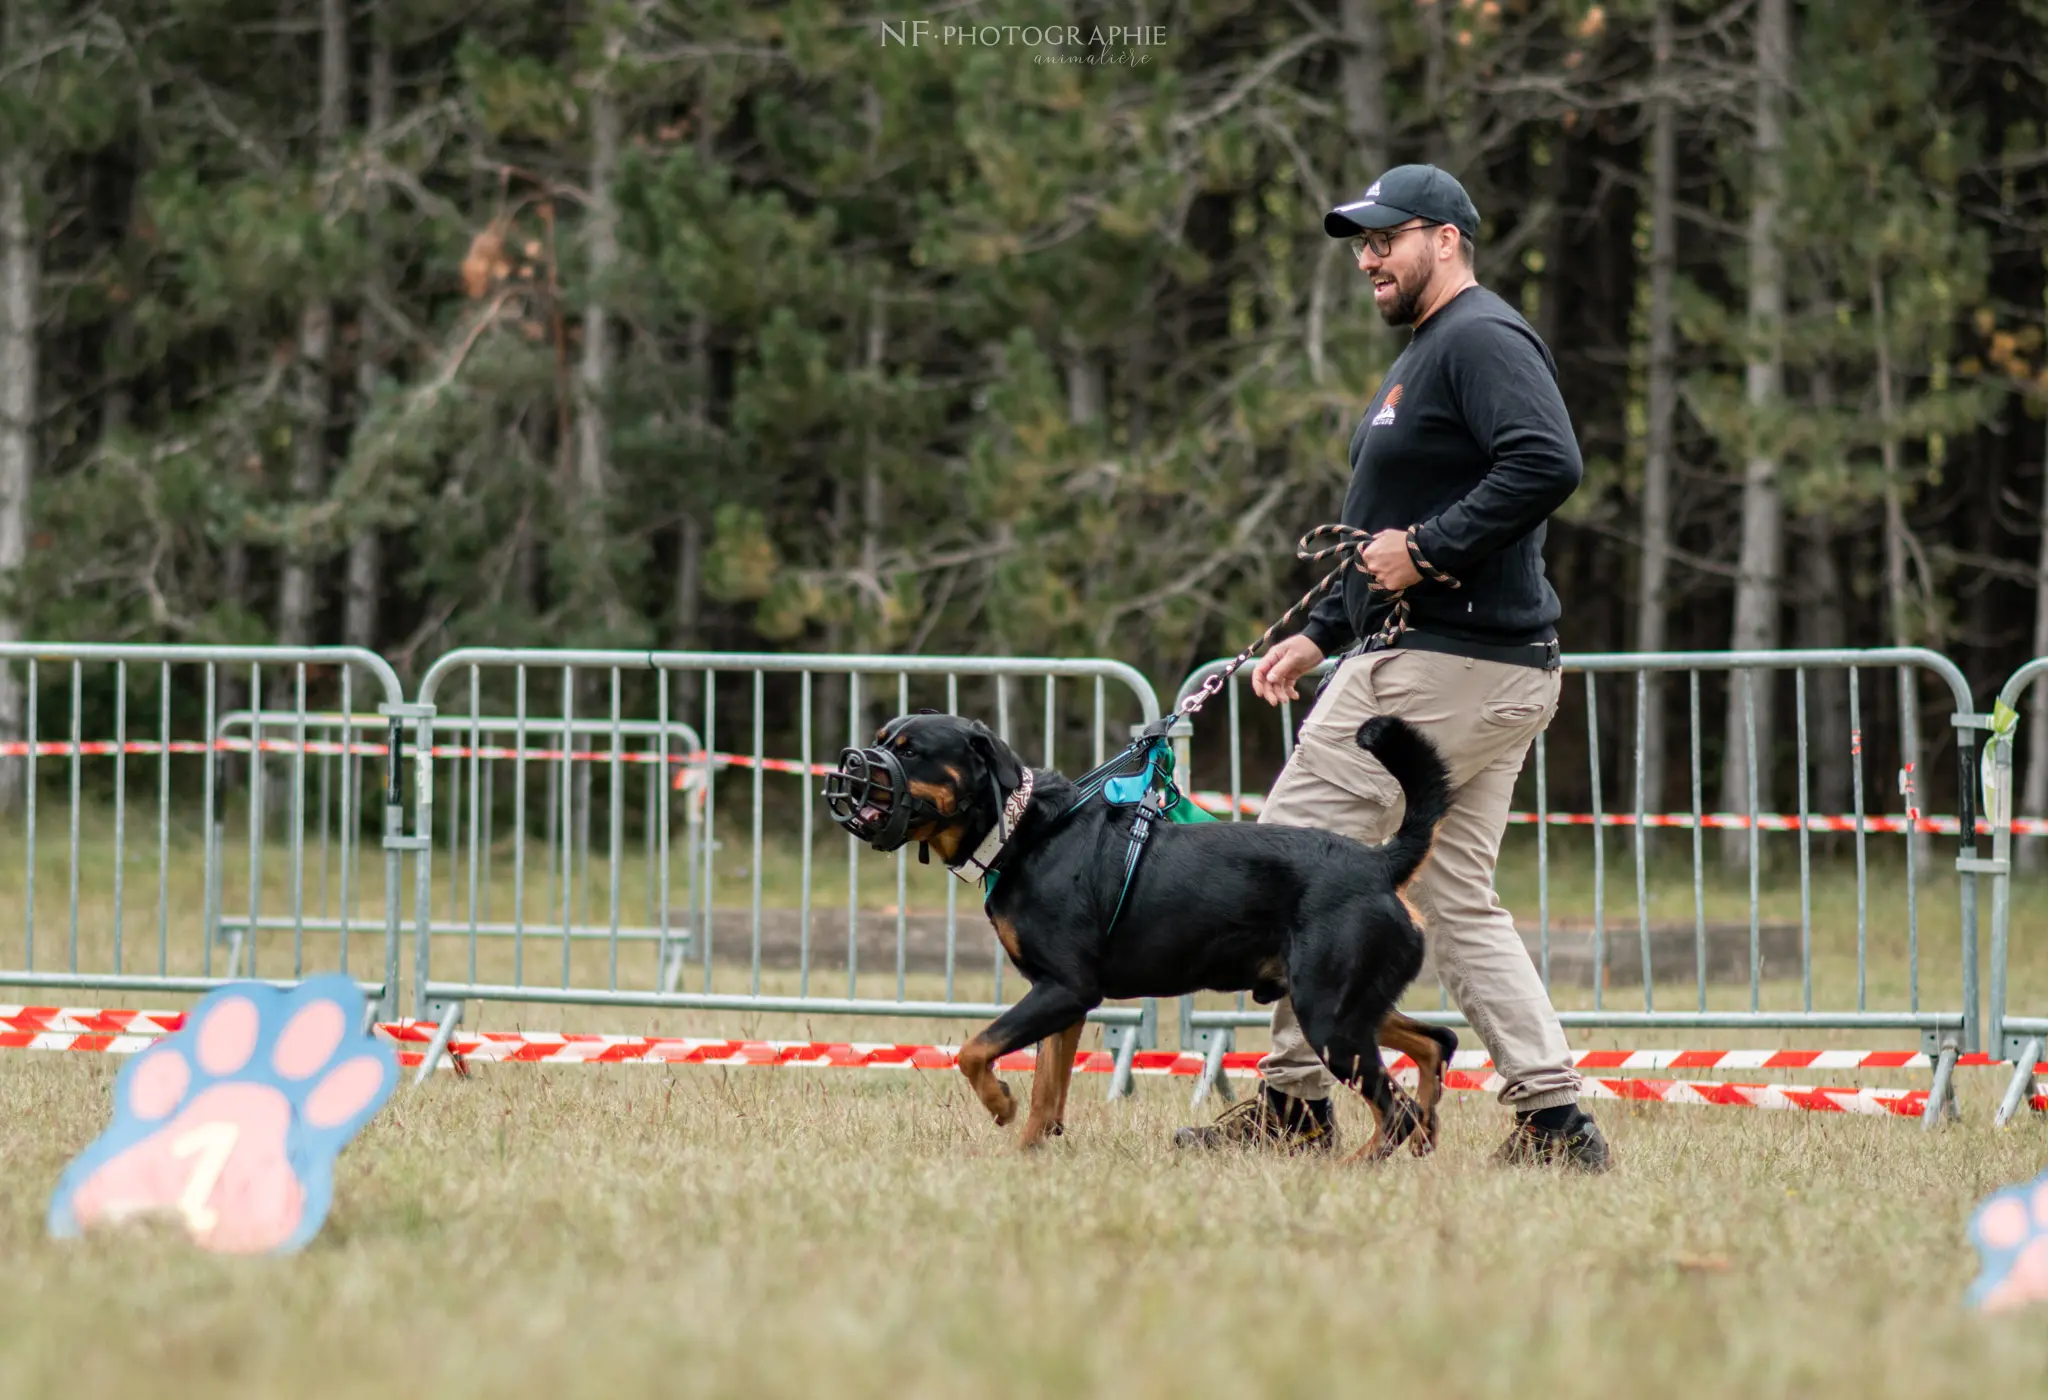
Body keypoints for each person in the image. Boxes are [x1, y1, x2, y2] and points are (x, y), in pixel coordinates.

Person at [1173, 164, 1609, 1172]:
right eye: (1358, 242)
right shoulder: (1430, 350)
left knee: (1292, 864)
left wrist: (1429, 550)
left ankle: (1291, 1105)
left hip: (1438, 668)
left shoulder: (1479, 337)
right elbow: (1382, 531)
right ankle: (1553, 1121)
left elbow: (1546, 460)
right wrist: (1321, 628)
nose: (1367, 255)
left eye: (1386, 237)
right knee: (1455, 897)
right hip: (1482, 668)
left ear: (1445, 238)